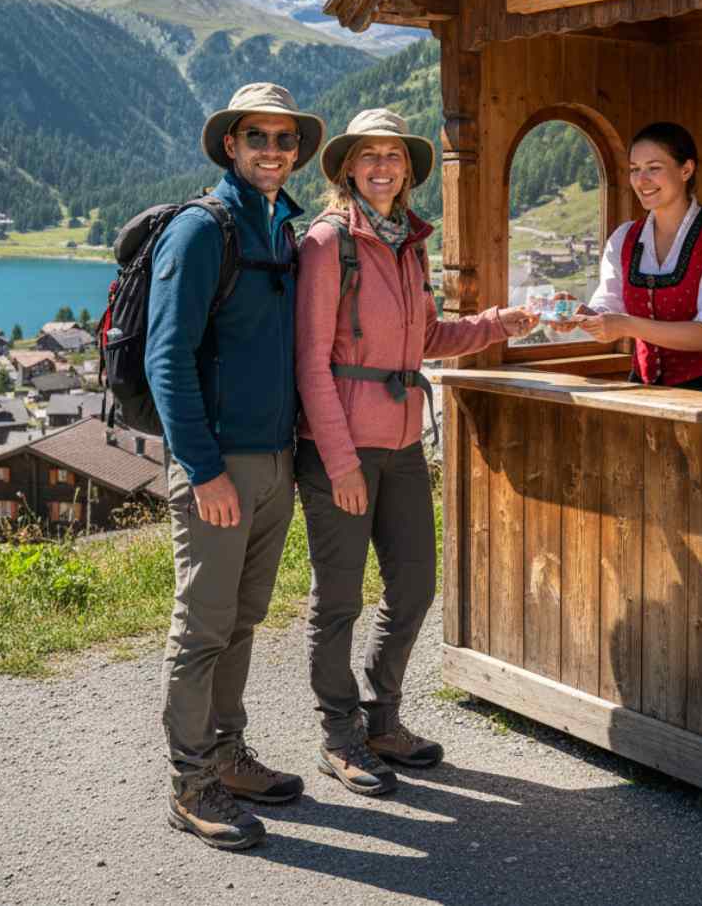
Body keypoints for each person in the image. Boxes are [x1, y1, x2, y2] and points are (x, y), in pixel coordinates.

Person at [294, 108, 538, 796]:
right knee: (337, 600)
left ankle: (382, 721)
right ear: (347, 167)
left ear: (407, 169)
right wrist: (339, 462)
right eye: (368, 155)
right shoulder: (326, 243)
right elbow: (311, 362)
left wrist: (496, 324)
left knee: (415, 586)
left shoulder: (409, 243)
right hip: (340, 447)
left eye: (393, 155)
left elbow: (425, 337)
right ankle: (339, 739)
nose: (381, 166)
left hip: (401, 445)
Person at [146, 83, 325, 850]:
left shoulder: (284, 226)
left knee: (244, 620)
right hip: (218, 466)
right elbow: (166, 359)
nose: (274, 152)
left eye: (286, 141)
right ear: (231, 144)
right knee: (203, 627)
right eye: (259, 138)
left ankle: (225, 753)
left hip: (274, 460)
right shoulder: (201, 230)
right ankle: (190, 783)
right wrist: (203, 467)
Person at [557, 121, 702, 393]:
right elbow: (609, 310)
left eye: (654, 168)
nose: (641, 180)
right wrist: (578, 313)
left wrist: (626, 325)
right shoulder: (624, 238)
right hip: (642, 392)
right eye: (635, 170)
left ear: (686, 169)